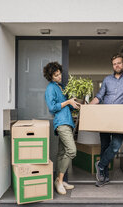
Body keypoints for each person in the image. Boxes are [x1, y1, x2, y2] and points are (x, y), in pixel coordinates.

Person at [89, 53, 123, 187]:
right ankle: (103, 177)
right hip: (105, 116)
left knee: (116, 145)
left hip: (119, 118)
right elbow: (99, 96)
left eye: (119, 63)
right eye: (114, 64)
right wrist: (87, 109)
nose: (116, 65)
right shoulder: (107, 80)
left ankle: (100, 164)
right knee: (104, 146)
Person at [44, 62, 80, 195]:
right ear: (50, 77)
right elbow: (52, 107)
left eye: (59, 74)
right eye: (56, 75)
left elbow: (67, 106)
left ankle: (61, 180)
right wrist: (67, 102)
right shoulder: (50, 88)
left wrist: (74, 103)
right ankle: (59, 181)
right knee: (72, 150)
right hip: (61, 123)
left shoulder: (61, 87)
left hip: (68, 122)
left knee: (61, 153)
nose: (59, 77)